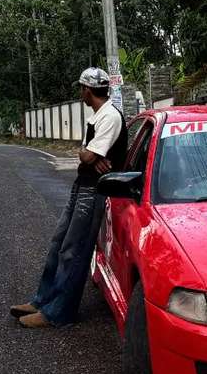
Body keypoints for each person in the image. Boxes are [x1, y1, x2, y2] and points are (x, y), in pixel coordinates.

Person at [10, 67, 128, 328]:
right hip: (82, 184)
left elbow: (87, 156)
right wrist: (89, 154)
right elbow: (89, 156)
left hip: (94, 190)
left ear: (87, 90)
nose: (80, 94)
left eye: (81, 89)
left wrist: (88, 154)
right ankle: (43, 300)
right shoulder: (98, 116)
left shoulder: (109, 117)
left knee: (74, 251)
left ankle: (59, 312)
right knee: (59, 243)